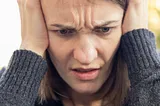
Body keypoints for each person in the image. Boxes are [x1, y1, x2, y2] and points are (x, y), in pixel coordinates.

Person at [0, 0, 160, 106]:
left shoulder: (153, 80)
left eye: (104, 29)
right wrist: (31, 47)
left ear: (129, 22)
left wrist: (143, 64)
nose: (86, 57)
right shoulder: (9, 90)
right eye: (63, 31)